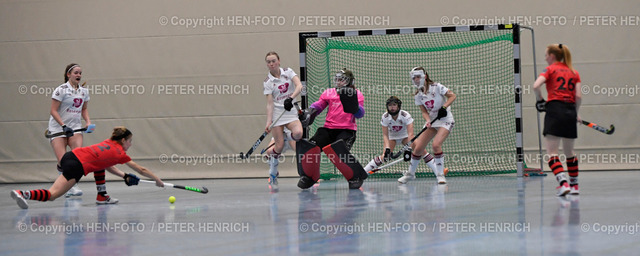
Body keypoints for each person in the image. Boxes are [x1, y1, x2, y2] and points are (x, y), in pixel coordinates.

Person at [11, 127, 164, 209]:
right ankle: (24, 194)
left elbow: (104, 164)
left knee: (99, 166)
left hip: (69, 157)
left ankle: (102, 196)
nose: (130, 145)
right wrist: (158, 180)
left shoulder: (107, 143)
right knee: (53, 195)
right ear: (123, 140)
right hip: (76, 166)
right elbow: (141, 170)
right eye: (130, 141)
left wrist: (124, 176)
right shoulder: (120, 153)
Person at [48, 63, 116, 204]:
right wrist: (63, 125)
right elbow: (53, 110)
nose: (79, 75)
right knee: (63, 161)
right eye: (76, 73)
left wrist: (88, 122)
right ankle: (70, 186)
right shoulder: (61, 90)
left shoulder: (84, 91)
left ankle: (72, 185)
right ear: (68, 75)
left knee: (77, 158)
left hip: (75, 128)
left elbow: (84, 109)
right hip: (58, 129)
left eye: (80, 73)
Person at [297, 68, 367, 189]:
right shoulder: (329, 93)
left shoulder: (356, 94)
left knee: (339, 150)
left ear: (350, 81)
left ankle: (355, 177)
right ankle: (309, 176)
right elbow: (319, 105)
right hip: (328, 129)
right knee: (311, 147)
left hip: (346, 130)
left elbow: (360, 114)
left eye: (342, 80)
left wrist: (354, 107)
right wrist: (309, 111)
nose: (339, 82)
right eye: (337, 80)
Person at [533, 43, 582, 196]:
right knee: (569, 152)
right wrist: (576, 113)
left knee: (552, 153)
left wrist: (540, 100)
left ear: (552, 56)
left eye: (546, 55)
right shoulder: (574, 72)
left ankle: (563, 183)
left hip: (554, 109)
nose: (545, 58)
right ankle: (574, 186)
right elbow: (578, 96)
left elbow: (536, 86)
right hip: (570, 110)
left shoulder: (550, 69)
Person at [400, 67, 456, 184]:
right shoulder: (418, 95)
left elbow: (452, 96)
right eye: (413, 78)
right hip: (433, 121)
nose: (416, 80)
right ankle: (410, 174)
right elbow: (424, 111)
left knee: (436, 145)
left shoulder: (437, 87)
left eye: (418, 77)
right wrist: (427, 120)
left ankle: (440, 175)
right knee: (418, 148)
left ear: (424, 76)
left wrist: (444, 107)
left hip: (445, 119)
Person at [263, 51, 304, 190]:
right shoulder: (268, 82)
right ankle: (273, 173)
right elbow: (270, 104)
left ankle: (307, 176)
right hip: (277, 116)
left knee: (298, 134)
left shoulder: (288, 72)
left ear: (279, 61)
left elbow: (299, 86)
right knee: (277, 149)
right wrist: (269, 122)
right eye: (268, 62)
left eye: (273, 60)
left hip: (290, 112)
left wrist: (290, 98)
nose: (271, 63)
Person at [363, 96, 417, 173]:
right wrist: (387, 148)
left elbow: (411, 134)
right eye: (390, 105)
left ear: (398, 106)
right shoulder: (385, 117)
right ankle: (363, 171)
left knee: (420, 150)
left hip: (406, 137)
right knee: (384, 157)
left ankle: (438, 173)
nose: (392, 107)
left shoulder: (405, 115)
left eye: (394, 105)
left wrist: (409, 148)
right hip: (392, 138)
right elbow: (385, 135)